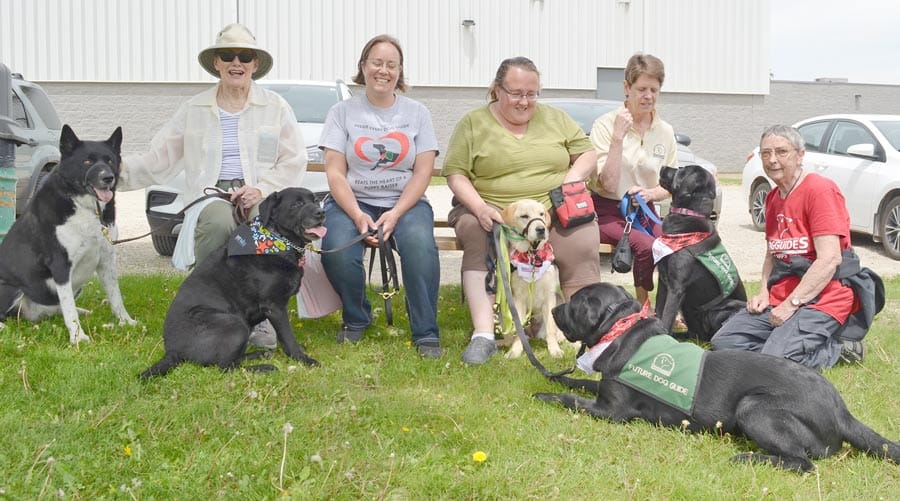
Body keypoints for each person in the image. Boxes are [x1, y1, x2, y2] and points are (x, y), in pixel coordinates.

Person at [119, 23, 307, 347]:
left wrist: (261, 188)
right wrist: (114, 173)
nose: (237, 62)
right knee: (219, 220)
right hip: (212, 193)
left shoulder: (275, 107)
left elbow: (294, 159)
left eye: (245, 56)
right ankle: (212, 312)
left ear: (255, 64)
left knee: (264, 224)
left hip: (259, 191)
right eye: (228, 55)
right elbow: (159, 158)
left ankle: (262, 316)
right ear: (216, 63)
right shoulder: (194, 109)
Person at [443, 56, 603, 365]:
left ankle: (585, 329)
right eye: (516, 93)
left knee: (581, 239)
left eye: (531, 94)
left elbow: (586, 154)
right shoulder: (473, 123)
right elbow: (456, 174)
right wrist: (478, 207)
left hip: (551, 211)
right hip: (492, 210)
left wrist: (570, 181)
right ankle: (484, 334)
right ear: (497, 90)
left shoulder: (555, 118)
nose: (524, 101)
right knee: (479, 234)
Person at [318, 34, 442, 359]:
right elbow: (334, 172)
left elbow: (423, 171)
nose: (383, 70)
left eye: (391, 65)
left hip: (405, 201)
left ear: (399, 72)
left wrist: (397, 213)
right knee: (336, 246)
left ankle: (426, 332)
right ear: (363, 66)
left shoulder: (418, 113)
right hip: (352, 201)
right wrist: (358, 215)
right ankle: (357, 317)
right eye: (377, 62)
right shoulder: (341, 112)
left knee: (419, 245)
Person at [710, 125, 866, 370]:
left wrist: (791, 305)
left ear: (800, 154)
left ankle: (839, 349)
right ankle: (780, 344)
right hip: (783, 295)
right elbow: (773, 253)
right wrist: (763, 291)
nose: (772, 160)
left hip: (824, 298)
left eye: (781, 152)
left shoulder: (819, 190)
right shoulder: (773, 198)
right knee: (724, 342)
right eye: (765, 153)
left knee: (777, 362)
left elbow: (830, 259)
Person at [590, 53, 676, 305]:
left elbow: (670, 186)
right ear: (626, 88)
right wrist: (618, 138)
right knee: (646, 246)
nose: (648, 96)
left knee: (672, 246)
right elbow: (606, 183)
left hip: (646, 210)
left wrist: (650, 194)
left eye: (654, 89)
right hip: (608, 210)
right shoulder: (605, 125)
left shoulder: (665, 131)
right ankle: (644, 307)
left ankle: (670, 306)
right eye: (641, 89)